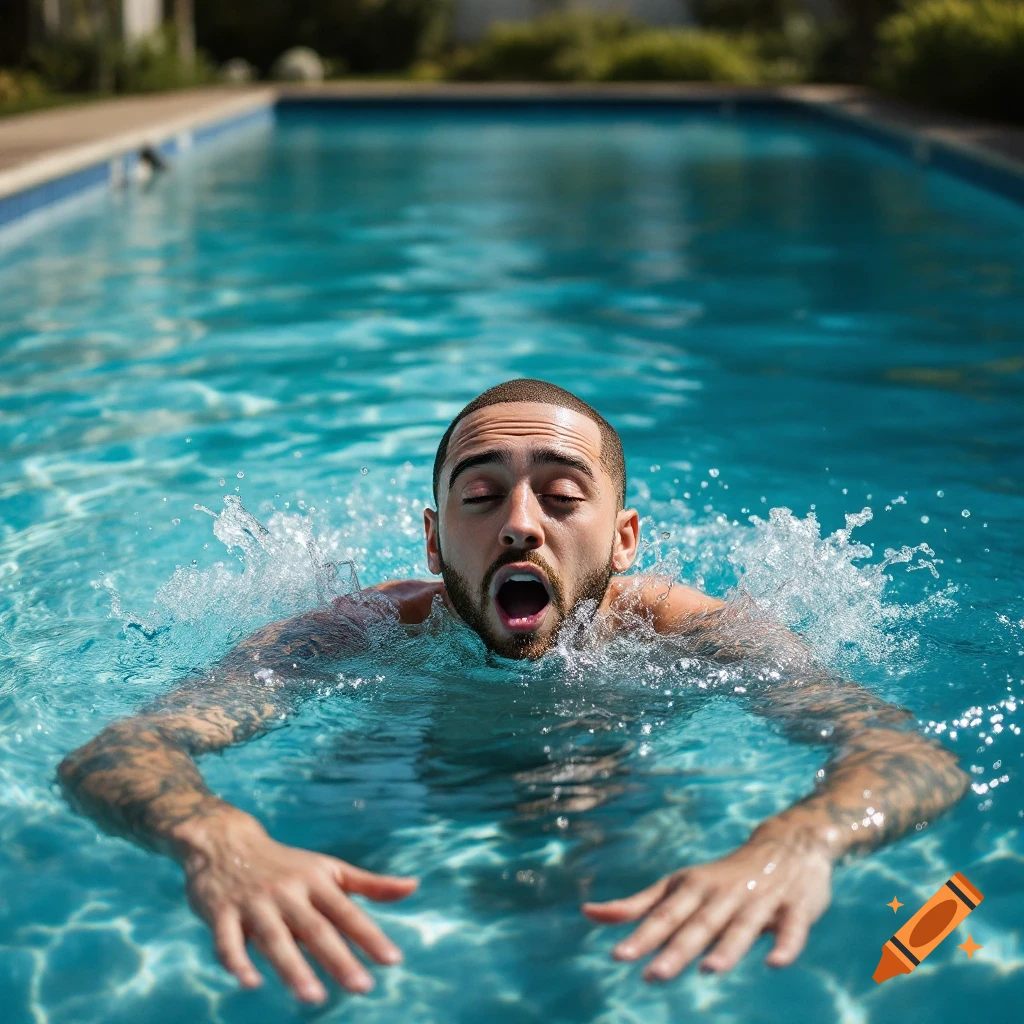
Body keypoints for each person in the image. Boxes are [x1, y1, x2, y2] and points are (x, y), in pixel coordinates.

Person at [58, 379, 969, 1005]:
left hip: (617, 791)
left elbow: (907, 755)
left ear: (624, 539)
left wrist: (798, 840)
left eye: (562, 497)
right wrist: (217, 838)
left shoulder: (698, 634)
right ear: (433, 540)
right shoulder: (357, 632)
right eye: (482, 496)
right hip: (410, 779)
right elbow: (118, 751)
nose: (521, 525)